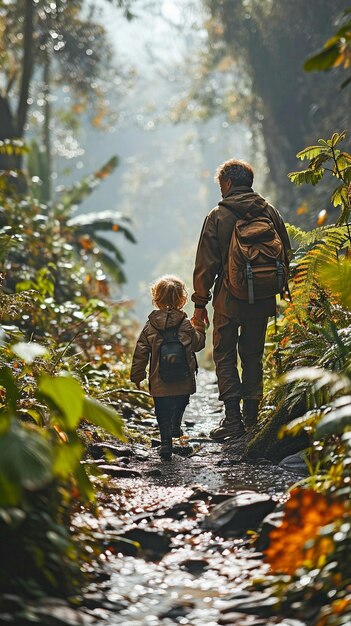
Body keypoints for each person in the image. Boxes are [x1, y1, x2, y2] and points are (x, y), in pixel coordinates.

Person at [192, 159, 291, 440]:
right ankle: (252, 419)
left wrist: (200, 304)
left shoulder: (218, 216)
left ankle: (232, 421)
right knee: (252, 356)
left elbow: (205, 265)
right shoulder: (269, 211)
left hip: (228, 299)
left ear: (227, 183)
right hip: (261, 299)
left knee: (224, 355)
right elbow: (285, 253)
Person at [130, 275, 206, 460]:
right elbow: (197, 345)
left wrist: (137, 375)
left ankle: (165, 444)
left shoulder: (150, 326)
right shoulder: (186, 324)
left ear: (156, 298)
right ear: (182, 298)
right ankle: (176, 424)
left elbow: (141, 351)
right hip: (183, 378)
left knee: (161, 411)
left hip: (159, 380)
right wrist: (200, 328)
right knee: (181, 401)